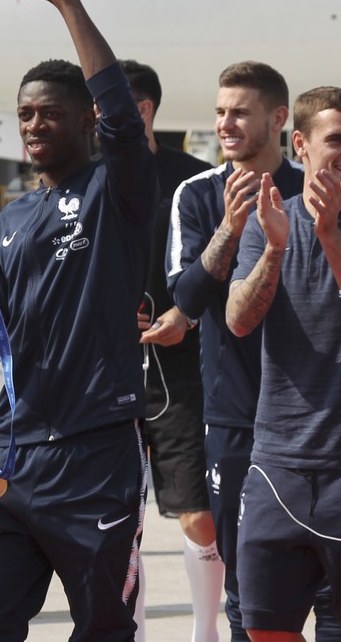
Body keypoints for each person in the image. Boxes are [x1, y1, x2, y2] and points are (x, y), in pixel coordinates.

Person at [0, 0, 156, 641]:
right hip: (11, 461)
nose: (34, 124)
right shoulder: (10, 220)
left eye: (50, 113)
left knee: (103, 629)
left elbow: (125, 119)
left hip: (94, 457)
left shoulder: (114, 192)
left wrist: (66, 0)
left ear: (85, 120)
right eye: (24, 115)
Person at [227, 86, 341, 642]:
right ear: (300, 145)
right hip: (277, 466)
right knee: (265, 631)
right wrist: (275, 250)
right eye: (338, 139)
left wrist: (330, 235)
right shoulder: (269, 221)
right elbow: (239, 319)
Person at [165, 61, 341, 642]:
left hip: (318, 419)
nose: (226, 123)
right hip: (237, 417)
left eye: (239, 112)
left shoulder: (316, 191)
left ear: (277, 118)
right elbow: (188, 298)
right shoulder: (196, 195)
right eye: (220, 112)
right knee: (249, 597)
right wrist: (230, 227)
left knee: (334, 597)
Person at [120, 57, 221, 642]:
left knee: (197, 511)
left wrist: (186, 316)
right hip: (108, 373)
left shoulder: (195, 183)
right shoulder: (80, 184)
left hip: (181, 371)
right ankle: (125, 628)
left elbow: (221, 270)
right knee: (116, 519)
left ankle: (205, 630)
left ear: (143, 110)